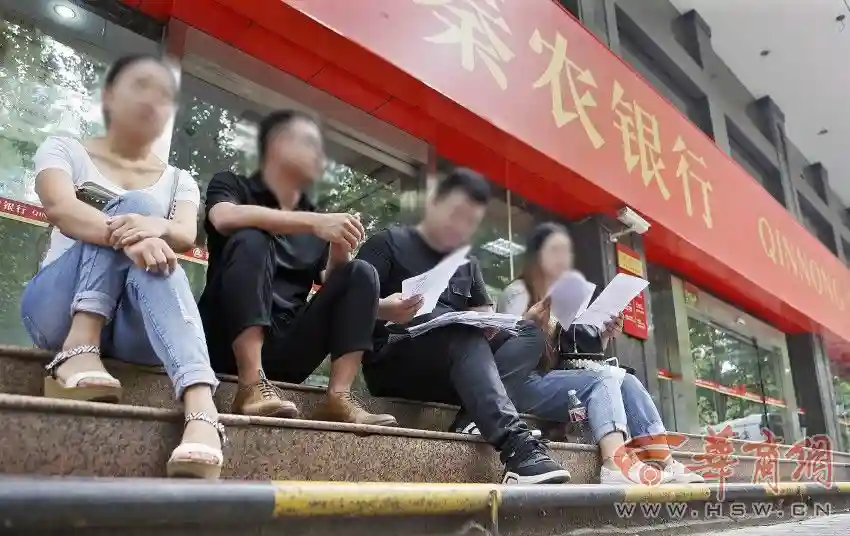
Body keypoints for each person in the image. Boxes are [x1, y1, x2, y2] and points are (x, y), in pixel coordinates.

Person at [20, 54, 225, 479]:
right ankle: (79, 347)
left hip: (135, 330)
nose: (152, 100)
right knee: (134, 206)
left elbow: (185, 233)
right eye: (140, 85)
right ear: (109, 95)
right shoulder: (65, 149)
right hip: (56, 310)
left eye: (164, 95)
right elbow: (61, 208)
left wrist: (153, 227)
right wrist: (137, 232)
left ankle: (201, 407)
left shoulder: (179, 181)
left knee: (152, 239)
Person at [355, 168, 571, 485]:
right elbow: (346, 302)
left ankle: (470, 419)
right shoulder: (387, 243)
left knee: (527, 333)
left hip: (453, 363)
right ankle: (518, 448)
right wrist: (388, 308)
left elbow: (483, 311)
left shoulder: (466, 263)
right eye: (457, 214)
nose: (461, 226)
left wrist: (494, 324)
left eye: (471, 221)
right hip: (394, 362)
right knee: (462, 332)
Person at [198, 109, 396, 427]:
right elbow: (223, 218)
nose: (318, 155)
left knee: (361, 272)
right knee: (251, 236)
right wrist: (315, 223)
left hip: (286, 350)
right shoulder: (233, 184)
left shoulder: (313, 218)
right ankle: (250, 384)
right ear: (275, 144)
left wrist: (339, 248)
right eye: (308, 143)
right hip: (224, 342)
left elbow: (332, 283)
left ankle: (339, 397)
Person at [481, 222, 702, 485]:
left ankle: (664, 460)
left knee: (626, 380)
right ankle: (614, 465)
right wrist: (529, 321)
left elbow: (564, 354)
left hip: (548, 378)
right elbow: (508, 347)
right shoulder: (518, 291)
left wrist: (603, 334)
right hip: (520, 382)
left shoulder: (557, 294)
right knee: (602, 380)